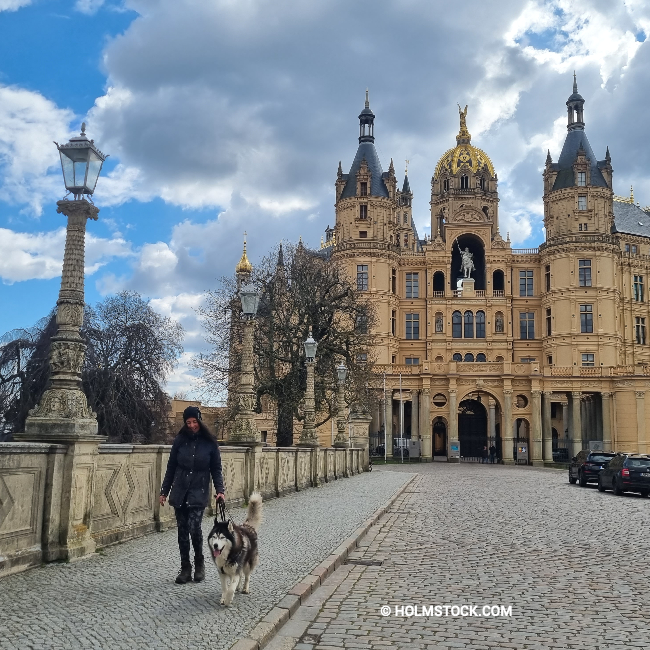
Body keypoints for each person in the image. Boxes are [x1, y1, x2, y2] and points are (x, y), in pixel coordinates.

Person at [160, 406, 225, 584]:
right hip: (180, 491)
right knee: (182, 531)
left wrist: (220, 490)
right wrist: (164, 491)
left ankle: (199, 563)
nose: (191, 425)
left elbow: (216, 469)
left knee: (194, 527)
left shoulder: (210, 443)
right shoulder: (180, 441)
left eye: (194, 422)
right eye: (188, 422)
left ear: (200, 421)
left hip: (199, 491)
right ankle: (185, 568)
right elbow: (171, 467)